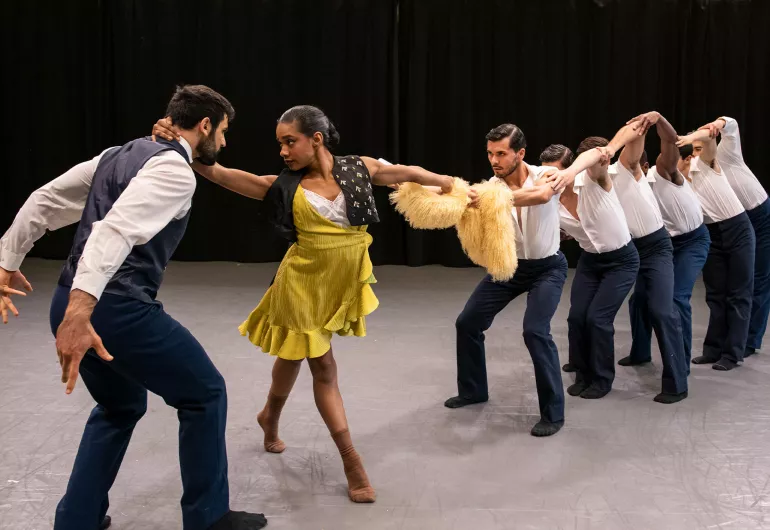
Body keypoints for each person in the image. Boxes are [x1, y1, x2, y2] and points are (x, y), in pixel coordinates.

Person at [153, 105, 455, 502]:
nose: (283, 151)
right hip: (300, 284)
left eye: (289, 141)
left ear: (316, 139)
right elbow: (221, 174)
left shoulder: (357, 168)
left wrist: (445, 182)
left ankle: (269, 417)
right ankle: (352, 462)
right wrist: (181, 146)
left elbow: (406, 171)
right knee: (324, 366)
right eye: (280, 143)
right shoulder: (284, 186)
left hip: (340, 283)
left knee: (293, 354)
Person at [0, 85, 268, 530]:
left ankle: (77, 519)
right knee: (205, 394)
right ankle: (208, 519)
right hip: (112, 311)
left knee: (119, 406)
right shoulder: (174, 173)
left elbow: (43, 199)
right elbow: (113, 232)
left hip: (67, 297)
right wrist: (81, 314)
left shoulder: (116, 155)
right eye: (222, 132)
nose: (224, 142)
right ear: (205, 125)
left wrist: (7, 262)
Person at [442, 125, 569, 437]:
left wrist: (491, 199)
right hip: (509, 268)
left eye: (501, 153)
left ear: (520, 153)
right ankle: (473, 390)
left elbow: (540, 197)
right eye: (490, 153)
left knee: (535, 332)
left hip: (548, 268)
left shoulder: (546, 176)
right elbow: (462, 199)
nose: (494, 160)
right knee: (467, 323)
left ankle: (553, 413)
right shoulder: (490, 186)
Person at [555, 126, 642, 400]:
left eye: (558, 171)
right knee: (577, 317)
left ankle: (602, 379)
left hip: (622, 261)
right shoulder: (553, 198)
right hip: (590, 261)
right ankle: (583, 374)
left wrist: (573, 170)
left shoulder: (594, 180)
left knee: (598, 319)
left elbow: (595, 156)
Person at [610, 111, 688, 403]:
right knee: (638, 302)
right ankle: (640, 354)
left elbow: (641, 139)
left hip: (656, 247)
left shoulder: (626, 167)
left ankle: (677, 383)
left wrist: (651, 121)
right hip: (629, 250)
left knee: (661, 309)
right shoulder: (588, 182)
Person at [677, 127, 755, 371]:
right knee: (715, 295)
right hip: (711, 234)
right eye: (691, 151)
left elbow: (710, 142)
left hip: (738, 229)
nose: (695, 155)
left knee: (738, 294)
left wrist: (695, 138)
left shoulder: (708, 165)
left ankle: (733, 354)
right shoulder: (678, 180)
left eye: (698, 149)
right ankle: (712, 350)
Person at [694, 117, 769, 358]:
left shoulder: (726, 154)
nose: (697, 152)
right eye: (694, 148)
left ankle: (748, 340)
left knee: (757, 280)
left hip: (758, 217)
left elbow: (734, 126)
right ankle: (722, 343)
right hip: (729, 221)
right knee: (724, 287)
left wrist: (720, 122)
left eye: (701, 145)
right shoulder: (693, 169)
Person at [641, 115, 711, 374]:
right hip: (663, 244)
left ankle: (680, 363)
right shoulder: (628, 183)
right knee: (639, 298)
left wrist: (658, 118)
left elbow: (669, 141)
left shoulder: (664, 173)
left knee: (676, 298)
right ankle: (640, 353)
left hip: (693, 241)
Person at [538, 144, 578, 375]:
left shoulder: (589, 190)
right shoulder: (545, 195)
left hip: (624, 249)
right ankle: (578, 362)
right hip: (589, 254)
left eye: (553, 174)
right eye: (544, 174)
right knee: (578, 315)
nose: (548, 180)